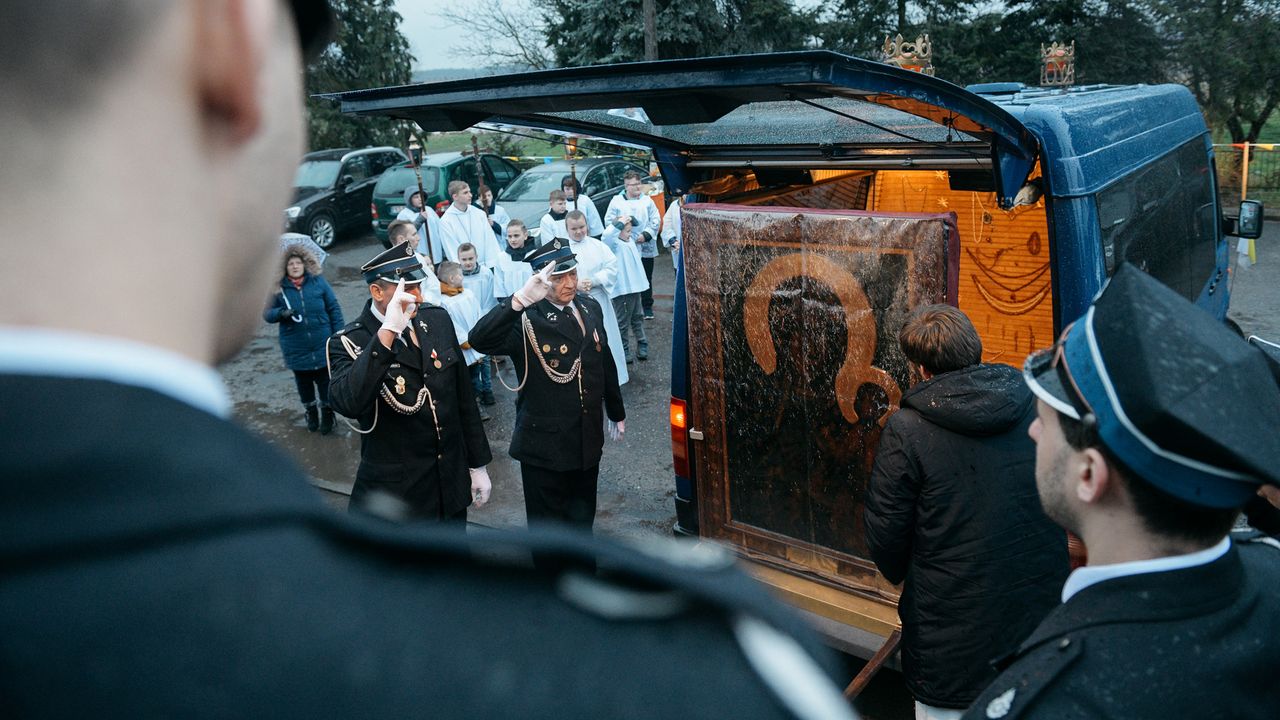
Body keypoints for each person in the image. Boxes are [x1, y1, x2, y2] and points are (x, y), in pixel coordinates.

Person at [0, 2, 862, 716]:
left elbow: (464, 393)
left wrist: (493, 455)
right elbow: (365, 395)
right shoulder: (706, 678)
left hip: (473, 472)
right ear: (232, 41)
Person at [961, 265, 1280, 720]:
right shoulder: (1271, 569)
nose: (1033, 431)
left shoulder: (1054, 704)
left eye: (1046, 419)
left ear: (1089, 474)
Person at [864, 305, 1068, 719]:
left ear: (920, 369)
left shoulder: (907, 430)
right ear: (975, 350)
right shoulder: (1032, 403)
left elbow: (887, 541)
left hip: (952, 638)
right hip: (1038, 617)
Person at [469, 240, 624, 543]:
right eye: (559, 277)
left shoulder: (589, 306)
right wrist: (519, 301)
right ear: (540, 280)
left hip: (586, 440)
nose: (570, 283)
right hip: (546, 449)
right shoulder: (526, 319)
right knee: (549, 534)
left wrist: (615, 410)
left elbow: (602, 359)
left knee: (582, 526)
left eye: (573, 274)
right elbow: (479, 340)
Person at [327, 244, 493, 520]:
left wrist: (478, 465)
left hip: (449, 484)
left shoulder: (435, 319)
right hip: (398, 498)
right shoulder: (348, 341)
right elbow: (348, 402)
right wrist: (388, 332)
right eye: (408, 290)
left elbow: (462, 399)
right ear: (377, 292)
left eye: (419, 286)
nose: (418, 296)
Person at [264, 244, 345, 434]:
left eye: (298, 263)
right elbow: (266, 314)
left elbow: (333, 308)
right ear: (285, 267)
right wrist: (280, 313)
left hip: (321, 342)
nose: (294, 266)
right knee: (304, 384)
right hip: (296, 346)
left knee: (325, 381)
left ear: (305, 264)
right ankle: (311, 412)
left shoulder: (318, 282)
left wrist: (338, 335)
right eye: (290, 263)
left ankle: (327, 413)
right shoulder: (278, 289)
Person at [565, 210, 629, 385]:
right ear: (567, 229)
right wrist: (575, 285)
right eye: (574, 229)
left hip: (598, 299)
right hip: (574, 302)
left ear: (587, 226)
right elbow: (557, 276)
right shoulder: (564, 251)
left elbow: (611, 267)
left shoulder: (598, 245)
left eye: (582, 227)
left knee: (606, 336)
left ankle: (614, 376)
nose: (578, 232)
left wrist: (595, 280)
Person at [438, 260, 492, 420]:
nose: (463, 277)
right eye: (460, 275)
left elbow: (478, 313)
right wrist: (464, 340)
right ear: (453, 279)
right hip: (465, 346)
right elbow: (452, 325)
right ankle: (475, 407)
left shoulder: (468, 294)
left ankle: (486, 395)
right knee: (472, 378)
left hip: (477, 340)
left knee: (483, 371)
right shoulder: (444, 302)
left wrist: (483, 332)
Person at [604, 170, 661, 319]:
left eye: (639, 184)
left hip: (644, 244)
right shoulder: (616, 201)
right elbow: (609, 221)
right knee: (627, 275)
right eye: (633, 185)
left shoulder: (647, 200)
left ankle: (647, 306)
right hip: (624, 245)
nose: (637, 187)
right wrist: (620, 233)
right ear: (626, 185)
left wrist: (646, 235)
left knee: (646, 275)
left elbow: (655, 220)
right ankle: (629, 308)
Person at [602, 210, 651, 363]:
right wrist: (620, 222)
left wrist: (630, 218)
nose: (631, 233)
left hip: (635, 287)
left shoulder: (630, 240)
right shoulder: (613, 244)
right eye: (627, 231)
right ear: (618, 231)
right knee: (622, 321)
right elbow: (607, 235)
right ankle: (623, 348)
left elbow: (638, 226)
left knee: (637, 316)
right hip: (621, 290)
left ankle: (642, 342)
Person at [454, 245, 496, 406]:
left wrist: (486, 318)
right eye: (464, 259)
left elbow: (489, 296)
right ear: (458, 260)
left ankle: (488, 390)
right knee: (474, 362)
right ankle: (477, 393)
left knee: (485, 359)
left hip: (483, 317)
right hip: (467, 324)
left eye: (471, 258)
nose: (468, 262)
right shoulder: (457, 277)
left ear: (477, 256)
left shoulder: (485, 273)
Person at [438, 179, 502, 266]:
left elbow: (490, 241)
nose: (470, 195)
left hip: (485, 266)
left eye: (469, 192)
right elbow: (451, 248)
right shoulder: (446, 221)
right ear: (455, 196)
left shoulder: (480, 214)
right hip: (464, 269)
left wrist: (492, 264)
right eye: (465, 193)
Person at [388, 218, 443, 307]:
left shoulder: (418, 258)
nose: (419, 238)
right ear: (401, 239)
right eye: (414, 234)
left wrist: (425, 303)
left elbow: (433, 284)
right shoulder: (387, 265)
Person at [397, 184, 443, 264]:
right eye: (416, 197)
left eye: (421, 196)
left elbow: (440, 228)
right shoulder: (403, 215)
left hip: (435, 252)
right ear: (409, 199)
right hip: (420, 253)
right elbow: (406, 234)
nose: (420, 199)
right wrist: (420, 219)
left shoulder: (429, 210)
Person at [661, 192, 684, 275]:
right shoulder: (674, 206)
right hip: (678, 252)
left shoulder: (697, 204)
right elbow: (666, 226)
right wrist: (674, 242)